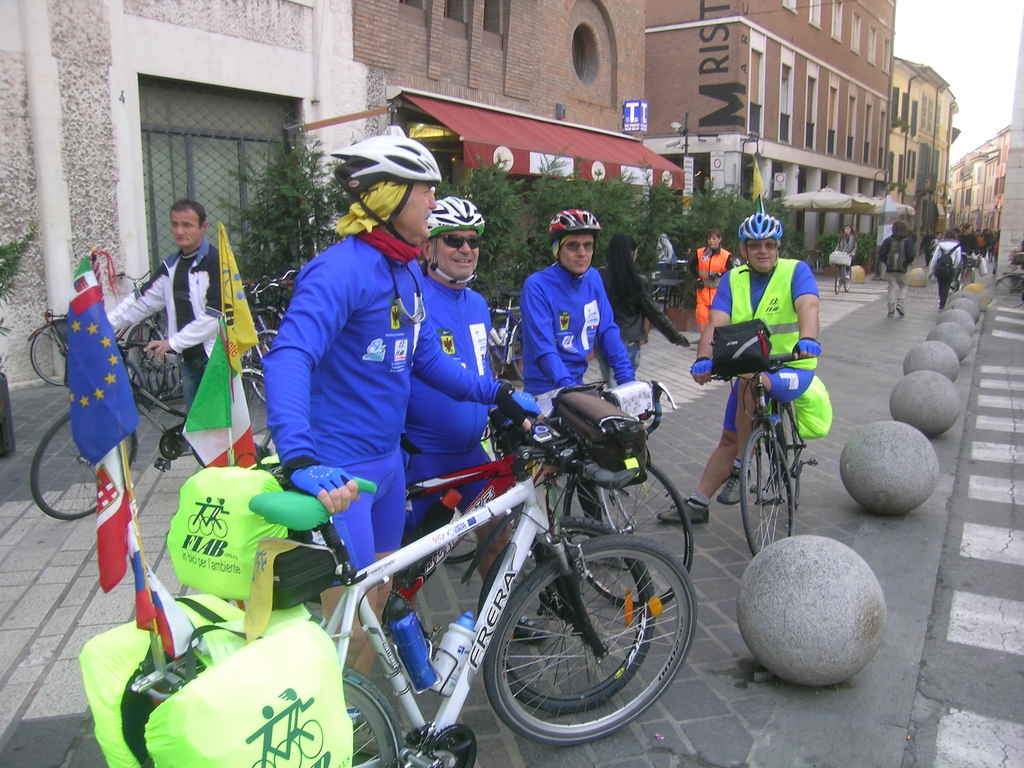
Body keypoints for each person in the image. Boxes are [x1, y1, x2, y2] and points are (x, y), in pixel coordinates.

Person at [263, 136, 535, 658]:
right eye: (425, 191)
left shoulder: (406, 270)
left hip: (388, 466)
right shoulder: (339, 270)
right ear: (389, 197)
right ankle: (335, 728)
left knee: (380, 599)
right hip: (342, 473)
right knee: (350, 617)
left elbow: (427, 359)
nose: (434, 203)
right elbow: (290, 356)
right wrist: (297, 454)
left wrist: (496, 392)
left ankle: (361, 716)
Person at [659, 212, 820, 525]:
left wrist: (808, 338)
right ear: (744, 250)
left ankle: (740, 467)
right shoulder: (734, 279)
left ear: (778, 247)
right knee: (728, 437)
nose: (763, 250)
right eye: (755, 245)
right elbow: (716, 322)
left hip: (792, 367)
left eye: (770, 245)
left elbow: (808, 307)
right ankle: (697, 503)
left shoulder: (795, 271)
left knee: (750, 381)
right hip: (750, 370)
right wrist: (703, 358)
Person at [402, 196, 508, 576]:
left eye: (473, 241)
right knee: (415, 567)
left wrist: (502, 411)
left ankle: (499, 625)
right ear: (429, 246)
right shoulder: (415, 299)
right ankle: (400, 633)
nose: (465, 248)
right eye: (453, 240)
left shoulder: (477, 303)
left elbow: (481, 369)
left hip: (471, 453)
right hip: (425, 456)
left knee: (498, 533)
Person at [107, 198, 221, 408]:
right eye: (175, 224)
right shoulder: (172, 265)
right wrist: (105, 325)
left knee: (217, 431)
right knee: (195, 429)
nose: (179, 231)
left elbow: (214, 317)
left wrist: (172, 343)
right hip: (188, 359)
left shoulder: (217, 261)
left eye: (187, 225)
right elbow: (142, 301)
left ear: (203, 227)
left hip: (216, 359)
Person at [519, 209, 635, 397]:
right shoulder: (537, 286)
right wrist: (571, 390)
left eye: (588, 245)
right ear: (557, 249)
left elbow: (607, 331)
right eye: (573, 246)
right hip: (544, 391)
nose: (582, 253)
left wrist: (628, 381)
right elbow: (544, 348)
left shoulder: (593, 279)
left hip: (577, 385)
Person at [597, 233, 690, 386]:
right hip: (627, 341)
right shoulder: (637, 281)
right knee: (623, 390)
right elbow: (654, 313)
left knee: (611, 387)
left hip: (602, 340)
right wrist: (676, 337)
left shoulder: (600, 276)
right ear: (632, 254)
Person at [691, 229, 734, 330]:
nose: (711, 241)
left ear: (719, 240)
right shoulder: (700, 252)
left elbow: (732, 271)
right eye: (709, 238)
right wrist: (698, 279)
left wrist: (720, 274)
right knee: (701, 314)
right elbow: (692, 266)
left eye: (714, 238)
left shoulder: (725, 255)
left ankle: (715, 338)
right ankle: (705, 337)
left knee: (717, 318)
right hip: (704, 290)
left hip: (718, 291)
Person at [879, 220, 915, 318]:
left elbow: (881, 253)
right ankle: (900, 303)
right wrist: (907, 262)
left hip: (891, 268)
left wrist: (886, 262)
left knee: (892, 287)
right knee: (903, 286)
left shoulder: (888, 240)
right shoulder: (908, 241)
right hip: (903, 268)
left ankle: (891, 308)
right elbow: (911, 255)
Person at [929, 229, 963, 310]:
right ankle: (943, 303)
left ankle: (941, 299)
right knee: (946, 285)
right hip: (950, 269)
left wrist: (931, 271)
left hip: (940, 268)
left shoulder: (939, 245)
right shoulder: (957, 246)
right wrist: (954, 267)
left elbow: (934, 259)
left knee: (940, 285)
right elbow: (958, 260)